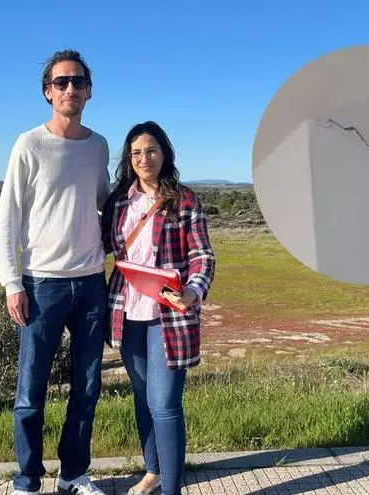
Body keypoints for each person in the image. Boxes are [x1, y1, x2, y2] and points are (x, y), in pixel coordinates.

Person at [0, 49, 112, 495]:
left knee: (86, 387)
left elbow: (103, 204)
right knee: (30, 394)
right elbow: (7, 217)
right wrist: (12, 282)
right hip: (42, 284)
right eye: (61, 82)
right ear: (47, 91)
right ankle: (26, 480)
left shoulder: (98, 146)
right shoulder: (29, 144)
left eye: (78, 82)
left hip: (90, 282)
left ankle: (73, 473)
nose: (70, 89)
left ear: (89, 90)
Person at [100, 121, 216, 495]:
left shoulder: (184, 200)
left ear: (164, 153)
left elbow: (202, 255)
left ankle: (171, 486)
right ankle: (153, 470)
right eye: (135, 153)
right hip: (127, 311)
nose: (143, 158)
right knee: (141, 394)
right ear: (128, 159)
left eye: (150, 151)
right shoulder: (119, 201)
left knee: (163, 402)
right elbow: (100, 245)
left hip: (169, 314)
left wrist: (194, 291)